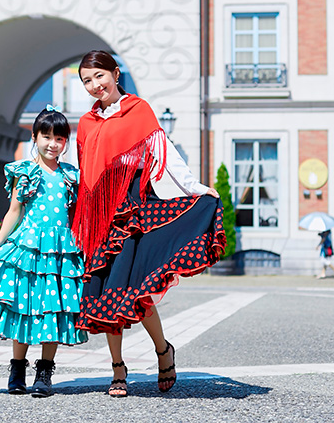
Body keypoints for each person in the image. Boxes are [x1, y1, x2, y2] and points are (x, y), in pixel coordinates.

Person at [72, 50, 225, 397]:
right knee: (106, 294)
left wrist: (196, 188)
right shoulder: (86, 123)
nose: (95, 85)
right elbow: (85, 175)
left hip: (133, 210)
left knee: (136, 292)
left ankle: (162, 350)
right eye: (86, 81)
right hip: (100, 218)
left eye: (99, 76)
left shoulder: (138, 110)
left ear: (115, 73)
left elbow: (165, 152)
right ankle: (118, 370)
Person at [0, 106, 86, 398]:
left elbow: (77, 214)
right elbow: (13, 211)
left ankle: (45, 372)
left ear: (66, 141)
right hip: (28, 247)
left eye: (59, 138)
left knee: (54, 308)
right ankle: (17, 368)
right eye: (47, 137)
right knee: (24, 307)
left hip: (60, 251)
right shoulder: (24, 171)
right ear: (35, 136)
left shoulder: (71, 175)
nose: (53, 144)